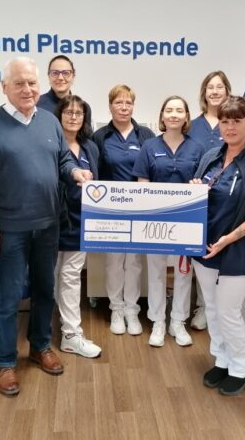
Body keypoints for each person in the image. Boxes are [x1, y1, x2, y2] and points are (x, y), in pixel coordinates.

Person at [0, 57, 92, 396]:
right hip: (9, 229)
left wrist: (74, 171)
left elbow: (62, 159)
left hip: (48, 225)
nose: (27, 89)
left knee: (44, 291)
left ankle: (40, 346)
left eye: (32, 83)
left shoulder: (50, 121)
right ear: (4, 87)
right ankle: (5, 361)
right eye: (19, 83)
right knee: (9, 296)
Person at [191, 96, 245, 396]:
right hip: (206, 248)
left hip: (239, 249)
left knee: (229, 311)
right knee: (213, 308)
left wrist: (228, 239)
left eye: (237, 121)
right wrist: (194, 190)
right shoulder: (211, 156)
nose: (230, 127)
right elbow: (201, 196)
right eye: (224, 121)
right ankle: (222, 359)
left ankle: (240, 368)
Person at [132, 95, 204, 347]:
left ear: (186, 117)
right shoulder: (149, 146)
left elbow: (202, 184)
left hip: (186, 222)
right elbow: (142, 184)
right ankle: (158, 322)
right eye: (169, 110)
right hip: (156, 222)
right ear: (162, 116)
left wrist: (197, 185)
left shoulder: (197, 149)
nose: (174, 115)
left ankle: (178, 321)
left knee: (184, 273)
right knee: (156, 273)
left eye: (179, 110)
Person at [93, 84, 155, 336]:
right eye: (118, 102)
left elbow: (153, 169)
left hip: (139, 208)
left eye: (128, 102)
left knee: (135, 262)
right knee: (114, 262)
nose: (124, 107)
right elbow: (95, 174)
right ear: (110, 106)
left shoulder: (146, 135)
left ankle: (132, 310)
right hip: (111, 210)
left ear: (133, 106)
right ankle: (116, 309)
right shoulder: (100, 136)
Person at [53, 95, 102, 358]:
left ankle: (71, 333)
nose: (73, 117)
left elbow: (97, 187)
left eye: (79, 113)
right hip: (51, 220)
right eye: (68, 112)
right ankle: (51, 327)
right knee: (51, 275)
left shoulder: (90, 147)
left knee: (71, 275)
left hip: (80, 222)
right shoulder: (50, 144)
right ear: (59, 115)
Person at [187, 71, 231, 331]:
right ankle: (202, 305)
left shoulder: (233, 123)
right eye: (210, 87)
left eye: (219, 87)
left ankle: (217, 307)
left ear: (227, 91)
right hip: (196, 200)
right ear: (204, 92)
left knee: (219, 252)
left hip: (225, 202)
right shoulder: (192, 126)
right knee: (200, 255)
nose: (215, 92)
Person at [37, 55, 92, 131]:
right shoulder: (36, 105)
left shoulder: (83, 107)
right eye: (55, 73)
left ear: (73, 76)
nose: (60, 78)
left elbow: (85, 136)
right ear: (49, 76)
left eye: (66, 73)